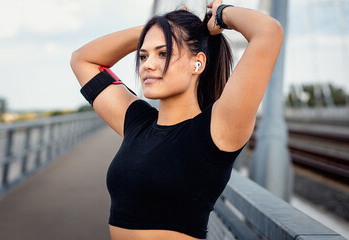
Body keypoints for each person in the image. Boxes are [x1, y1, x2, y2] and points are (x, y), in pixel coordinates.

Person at [70, 0, 283, 239]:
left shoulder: (218, 128)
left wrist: (221, 15)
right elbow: (82, 60)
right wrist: (157, 28)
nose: (148, 65)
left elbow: (268, 31)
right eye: (143, 55)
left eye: (163, 53)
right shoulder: (136, 123)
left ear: (198, 63)